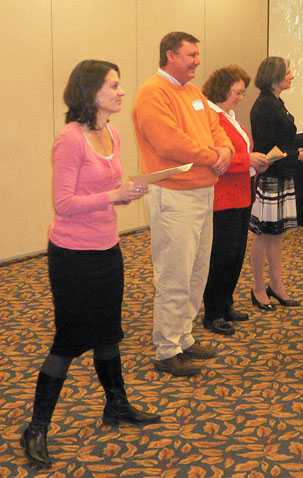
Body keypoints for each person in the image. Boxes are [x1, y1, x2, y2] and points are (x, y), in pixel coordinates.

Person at [21, 60, 160, 469]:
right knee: (67, 341)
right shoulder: (70, 139)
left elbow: (105, 189)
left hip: (107, 249)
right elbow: (64, 204)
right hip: (73, 256)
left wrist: (126, 191)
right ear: (91, 92)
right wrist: (113, 197)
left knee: (108, 334)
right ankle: (37, 427)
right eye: (113, 85)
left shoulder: (111, 132)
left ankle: (116, 406)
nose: (120, 92)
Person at [132, 32, 233, 376]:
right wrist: (212, 157)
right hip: (174, 195)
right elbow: (170, 143)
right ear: (170, 55)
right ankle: (166, 348)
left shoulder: (193, 93)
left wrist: (225, 152)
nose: (197, 61)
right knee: (175, 272)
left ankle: (184, 337)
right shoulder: (152, 93)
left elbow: (216, 128)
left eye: (197, 54)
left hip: (203, 191)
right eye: (191, 55)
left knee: (196, 270)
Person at [201, 66, 270, 335]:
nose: (241, 97)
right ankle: (213, 312)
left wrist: (255, 162)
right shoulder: (209, 116)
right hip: (222, 197)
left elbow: (240, 153)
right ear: (222, 88)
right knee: (221, 255)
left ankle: (225, 303)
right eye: (237, 92)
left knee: (235, 254)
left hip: (241, 194)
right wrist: (247, 161)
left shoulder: (229, 116)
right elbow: (213, 158)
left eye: (243, 93)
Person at [249, 57, 303, 309]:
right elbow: (269, 149)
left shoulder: (276, 102)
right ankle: (258, 288)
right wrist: (299, 155)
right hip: (271, 177)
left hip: (282, 175)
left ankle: (276, 285)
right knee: (264, 236)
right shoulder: (264, 106)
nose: (292, 75)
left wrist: (296, 149)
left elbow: (283, 141)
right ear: (274, 76)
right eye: (288, 72)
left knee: (276, 235)